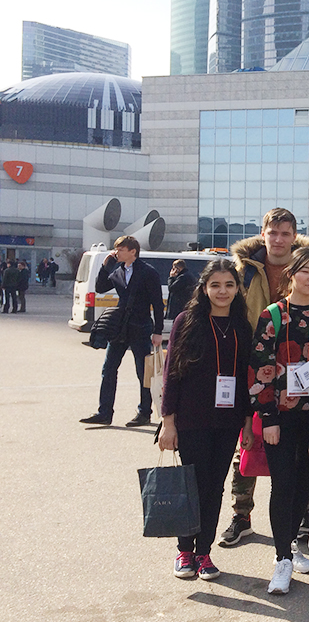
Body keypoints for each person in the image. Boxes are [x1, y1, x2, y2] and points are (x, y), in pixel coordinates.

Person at [220, 208, 309, 548]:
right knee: (248, 441)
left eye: (285, 233)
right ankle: (241, 514)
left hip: (300, 374)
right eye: (273, 232)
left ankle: (302, 515)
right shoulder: (245, 270)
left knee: (302, 449)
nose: (279, 239)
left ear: (294, 236)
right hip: (252, 364)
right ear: (263, 233)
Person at [249, 246, 309, 595]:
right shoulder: (273, 315)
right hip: (281, 416)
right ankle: (282, 558)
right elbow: (260, 368)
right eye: (305, 271)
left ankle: (291, 544)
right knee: (283, 484)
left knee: (304, 483)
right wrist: (268, 416)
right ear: (291, 274)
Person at [158, 259, 253, 581]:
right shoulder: (187, 321)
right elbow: (171, 374)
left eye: (229, 285)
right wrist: (168, 423)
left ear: (237, 289)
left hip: (228, 421)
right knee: (193, 485)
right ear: (204, 288)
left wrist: (247, 422)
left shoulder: (242, 326)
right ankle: (184, 550)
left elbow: (246, 378)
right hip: (192, 419)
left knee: (215, 487)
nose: (222, 291)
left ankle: (204, 552)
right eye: (215, 285)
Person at [79, 237, 164, 427]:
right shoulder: (118, 271)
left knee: (142, 372)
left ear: (133, 251)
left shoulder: (148, 272)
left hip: (141, 326)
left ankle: (144, 412)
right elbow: (100, 287)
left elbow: (158, 304)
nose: (116, 252)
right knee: (108, 368)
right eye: (116, 249)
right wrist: (105, 267)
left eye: (121, 249)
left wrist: (158, 331)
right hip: (120, 327)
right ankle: (104, 412)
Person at [165, 259, 197, 324]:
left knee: (178, 324)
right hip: (184, 306)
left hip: (180, 307)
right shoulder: (187, 275)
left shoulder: (183, 277)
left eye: (174, 268)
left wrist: (171, 277)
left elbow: (171, 288)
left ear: (178, 268)